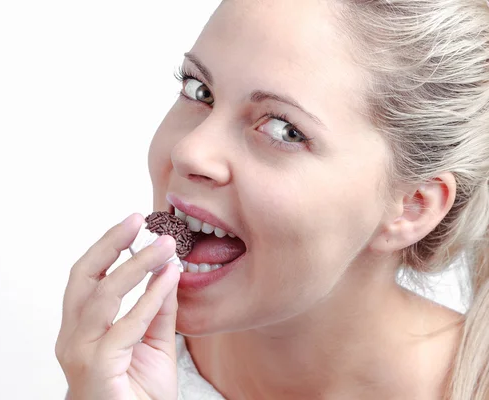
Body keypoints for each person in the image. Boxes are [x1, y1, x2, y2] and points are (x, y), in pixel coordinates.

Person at [55, 0, 489, 398]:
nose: (189, 151)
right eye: (198, 90)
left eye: (284, 129)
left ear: (412, 206)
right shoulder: (122, 372)